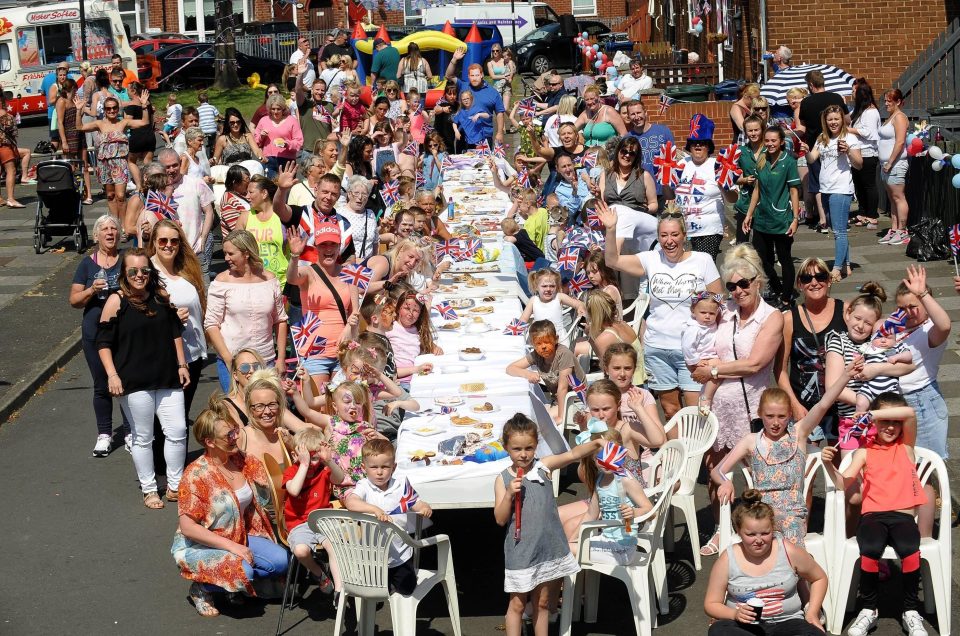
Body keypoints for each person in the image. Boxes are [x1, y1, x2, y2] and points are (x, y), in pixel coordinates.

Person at [694, 245, 784, 555]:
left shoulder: (771, 318)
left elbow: (756, 363)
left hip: (752, 408)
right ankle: (722, 527)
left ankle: (762, 534)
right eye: (731, 285)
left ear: (758, 281)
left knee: (758, 475)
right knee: (716, 469)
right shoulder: (725, 311)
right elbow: (698, 322)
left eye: (744, 283)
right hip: (719, 406)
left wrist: (713, 369)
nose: (737, 290)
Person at [710, 364, 857, 546]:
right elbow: (717, 471)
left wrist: (846, 375)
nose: (775, 423)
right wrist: (725, 481)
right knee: (755, 537)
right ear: (760, 415)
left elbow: (823, 404)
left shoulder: (799, 433)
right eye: (769, 416)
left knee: (789, 541)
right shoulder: (750, 440)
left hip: (792, 511)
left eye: (782, 416)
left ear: (789, 415)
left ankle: (796, 572)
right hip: (760, 510)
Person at [600, 206, 723, 420]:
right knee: (670, 411)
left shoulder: (703, 260)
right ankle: (676, 453)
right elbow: (612, 261)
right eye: (663, 235)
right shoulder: (651, 259)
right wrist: (611, 230)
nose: (669, 240)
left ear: (684, 235)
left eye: (675, 234)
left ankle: (697, 453)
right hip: (657, 348)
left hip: (692, 351)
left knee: (696, 414)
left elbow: (719, 304)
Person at [821, 397, 930, 636]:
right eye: (884, 421)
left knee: (910, 549)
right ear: (873, 425)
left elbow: (910, 412)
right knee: (869, 549)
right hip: (873, 516)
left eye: (894, 422)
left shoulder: (906, 447)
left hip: (902, 517)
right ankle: (869, 609)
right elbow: (842, 483)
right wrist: (828, 464)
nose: (889, 427)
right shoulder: (864, 452)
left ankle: (910, 610)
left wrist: (872, 416)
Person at [172, 407, 288, 618]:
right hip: (203, 544)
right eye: (229, 435)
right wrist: (234, 547)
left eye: (235, 431)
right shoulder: (195, 475)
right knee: (245, 571)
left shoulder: (241, 459)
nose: (235, 437)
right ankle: (203, 588)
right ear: (209, 442)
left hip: (240, 534)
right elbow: (188, 528)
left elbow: (270, 481)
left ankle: (232, 586)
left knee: (280, 562)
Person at [97, 249, 190, 510]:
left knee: (177, 432)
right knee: (142, 436)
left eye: (144, 271)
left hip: (167, 376)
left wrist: (182, 363)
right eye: (133, 271)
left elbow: (175, 332)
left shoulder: (160, 297)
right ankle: (149, 489)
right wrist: (112, 375)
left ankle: (175, 485)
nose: (140, 276)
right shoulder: (116, 301)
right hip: (134, 380)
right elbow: (102, 343)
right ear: (124, 274)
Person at [496, 415, 602, 636]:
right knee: (516, 605)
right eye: (516, 449)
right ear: (505, 447)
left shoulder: (543, 467)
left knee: (543, 603)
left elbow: (572, 454)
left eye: (529, 448)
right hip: (522, 551)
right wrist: (508, 495)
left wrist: (597, 443)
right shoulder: (503, 479)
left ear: (536, 446)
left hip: (550, 548)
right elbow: (500, 518)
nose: (523, 454)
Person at [702, 491, 828, 635]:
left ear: (772, 529)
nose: (759, 540)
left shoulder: (788, 551)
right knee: (718, 631)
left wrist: (812, 613)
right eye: (751, 534)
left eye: (765, 533)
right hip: (743, 625)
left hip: (787, 622)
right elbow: (711, 604)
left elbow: (819, 578)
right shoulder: (728, 558)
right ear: (738, 531)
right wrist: (734, 614)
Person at [70, 215, 130, 456]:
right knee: (101, 384)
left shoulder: (126, 260)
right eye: (104, 229)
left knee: (127, 381)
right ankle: (104, 434)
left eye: (114, 229)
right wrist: (90, 291)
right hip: (94, 332)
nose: (110, 233)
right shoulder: (87, 264)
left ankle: (130, 431)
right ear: (96, 236)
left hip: (124, 330)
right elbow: (73, 300)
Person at [344, 438, 433, 594]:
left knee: (407, 590)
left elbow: (415, 503)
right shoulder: (364, 486)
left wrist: (424, 507)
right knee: (376, 595)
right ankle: (384, 590)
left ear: (394, 467)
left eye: (385, 467)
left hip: (400, 553)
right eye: (374, 467)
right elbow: (351, 503)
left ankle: (396, 589)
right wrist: (374, 509)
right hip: (374, 556)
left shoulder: (400, 485)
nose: (379, 472)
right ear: (364, 467)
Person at [774, 257, 848, 443]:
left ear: (829, 280)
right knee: (804, 465)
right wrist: (794, 404)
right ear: (800, 284)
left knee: (842, 462)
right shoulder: (790, 319)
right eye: (807, 279)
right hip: (804, 406)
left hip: (840, 404)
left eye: (820, 276)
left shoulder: (846, 311)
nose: (814, 282)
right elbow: (780, 370)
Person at [205, 230, 288, 390]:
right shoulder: (221, 282)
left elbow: (280, 320)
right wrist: (228, 359)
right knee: (237, 410)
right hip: (233, 359)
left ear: (246, 253)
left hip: (265, 360)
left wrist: (281, 359)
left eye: (231, 253)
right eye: (224, 253)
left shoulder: (269, 280)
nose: (226, 258)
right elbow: (211, 324)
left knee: (266, 410)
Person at [285, 223, 359, 383]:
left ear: (339, 246)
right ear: (316, 247)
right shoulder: (308, 272)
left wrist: (348, 329)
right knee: (318, 405)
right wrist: (295, 256)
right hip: (315, 351)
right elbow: (291, 278)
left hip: (343, 351)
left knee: (343, 404)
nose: (328, 249)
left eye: (333, 244)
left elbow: (355, 312)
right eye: (323, 244)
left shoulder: (350, 272)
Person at [148, 220, 207, 417]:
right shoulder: (147, 273)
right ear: (154, 242)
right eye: (163, 240)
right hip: (165, 357)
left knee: (182, 416)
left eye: (174, 241)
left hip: (194, 354)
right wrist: (169, 318)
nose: (168, 245)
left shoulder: (188, 269)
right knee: (166, 421)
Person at [894, 266, 951, 456]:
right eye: (901, 308)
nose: (907, 313)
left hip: (921, 402)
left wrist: (923, 294)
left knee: (927, 466)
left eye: (913, 307)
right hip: (895, 403)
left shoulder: (929, 329)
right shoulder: (898, 329)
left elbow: (944, 325)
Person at [742, 126, 802, 309]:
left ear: (781, 142)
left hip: (781, 219)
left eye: (773, 140)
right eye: (767, 140)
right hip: (762, 219)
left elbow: (793, 191)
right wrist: (749, 214)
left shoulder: (789, 162)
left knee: (785, 259)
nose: (770, 144)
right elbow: (757, 190)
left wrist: (795, 218)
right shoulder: (762, 159)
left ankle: (786, 297)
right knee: (762, 259)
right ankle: (777, 288)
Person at [803, 105, 863, 281]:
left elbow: (859, 164)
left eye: (836, 119)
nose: (833, 122)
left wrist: (848, 151)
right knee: (836, 227)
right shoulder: (822, 139)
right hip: (825, 189)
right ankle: (846, 265)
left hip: (841, 189)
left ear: (842, 120)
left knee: (839, 231)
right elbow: (812, 158)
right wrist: (805, 150)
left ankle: (836, 269)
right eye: (830, 120)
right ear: (825, 122)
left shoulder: (850, 138)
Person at [283, 427, 344, 595]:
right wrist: (303, 464)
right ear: (296, 456)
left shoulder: (323, 470)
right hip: (299, 523)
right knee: (301, 551)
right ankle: (319, 573)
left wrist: (329, 461)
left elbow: (340, 479)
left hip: (323, 519)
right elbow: (294, 490)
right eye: (307, 458)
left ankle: (339, 591)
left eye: (315, 458)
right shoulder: (292, 471)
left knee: (333, 546)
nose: (311, 463)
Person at [75, 92, 150, 222]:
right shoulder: (99, 124)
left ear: (117, 109)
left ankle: (125, 225)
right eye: (108, 108)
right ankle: (115, 223)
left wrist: (144, 106)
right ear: (104, 110)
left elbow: (144, 122)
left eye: (114, 108)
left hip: (120, 164)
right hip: (104, 165)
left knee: (121, 196)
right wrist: (78, 110)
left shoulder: (123, 123)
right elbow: (79, 127)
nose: (112, 110)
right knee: (110, 196)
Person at [798, 70, 848, 235]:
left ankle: (823, 219)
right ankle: (839, 217)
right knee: (838, 179)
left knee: (818, 184)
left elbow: (802, 128)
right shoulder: (836, 98)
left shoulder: (805, 102)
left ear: (811, 85)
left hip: (815, 147)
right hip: (837, 144)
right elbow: (847, 120)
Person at [157, 148, 216, 279]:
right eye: (167, 167)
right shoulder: (156, 190)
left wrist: (203, 239)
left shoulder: (196, 183)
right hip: (168, 253)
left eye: (175, 165)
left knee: (203, 293)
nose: (172, 170)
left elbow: (209, 212)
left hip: (195, 251)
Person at [674, 114, 725, 259]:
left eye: (702, 142)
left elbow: (733, 199)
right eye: (694, 142)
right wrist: (665, 183)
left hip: (709, 230)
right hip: (683, 230)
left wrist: (723, 186)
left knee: (703, 271)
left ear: (708, 146)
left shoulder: (717, 165)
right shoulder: (682, 164)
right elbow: (670, 195)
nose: (698, 145)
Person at [507, 319, 583, 414]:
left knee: (542, 421)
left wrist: (560, 417)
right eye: (538, 343)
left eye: (547, 342)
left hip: (576, 400)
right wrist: (527, 373)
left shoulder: (564, 354)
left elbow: (563, 388)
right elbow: (510, 368)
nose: (543, 346)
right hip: (557, 400)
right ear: (532, 344)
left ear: (556, 339)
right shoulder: (537, 355)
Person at [599, 135, 659, 253]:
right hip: (613, 222)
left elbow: (654, 204)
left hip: (636, 220)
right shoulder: (606, 175)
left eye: (632, 153)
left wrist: (640, 210)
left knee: (623, 213)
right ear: (618, 152)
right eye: (624, 151)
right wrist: (596, 194)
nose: (627, 155)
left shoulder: (644, 176)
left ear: (636, 157)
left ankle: (613, 258)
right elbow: (602, 203)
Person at [239, 175, 289, 290]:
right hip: (252, 283)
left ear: (264, 193)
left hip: (281, 284)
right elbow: (235, 248)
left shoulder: (283, 216)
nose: (247, 196)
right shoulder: (245, 217)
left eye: (251, 192)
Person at [386, 286, 442, 388]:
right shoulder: (389, 329)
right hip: (398, 382)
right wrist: (416, 369)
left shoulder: (417, 330)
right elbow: (388, 371)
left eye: (416, 310)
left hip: (416, 377)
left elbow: (419, 343)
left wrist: (433, 346)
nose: (410, 314)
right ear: (398, 309)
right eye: (407, 308)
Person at [877, 89, 910, 245]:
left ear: (898, 101)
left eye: (890, 100)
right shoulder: (890, 117)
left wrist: (890, 162)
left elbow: (900, 142)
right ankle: (894, 229)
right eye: (885, 100)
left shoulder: (900, 118)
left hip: (895, 164)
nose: (886, 103)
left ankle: (902, 231)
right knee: (892, 199)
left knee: (898, 197)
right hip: (886, 165)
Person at [682, 292, 723, 410]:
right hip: (702, 358)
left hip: (709, 356)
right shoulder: (694, 328)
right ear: (693, 311)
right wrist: (695, 361)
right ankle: (706, 397)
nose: (707, 316)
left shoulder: (709, 324)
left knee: (714, 377)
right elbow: (687, 346)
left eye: (711, 313)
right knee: (720, 368)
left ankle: (705, 396)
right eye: (703, 312)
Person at [848, 81, 881, 228]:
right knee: (858, 185)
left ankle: (872, 215)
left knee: (868, 185)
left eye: (854, 91)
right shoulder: (859, 111)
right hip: (856, 151)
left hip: (868, 153)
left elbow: (870, 133)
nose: (852, 94)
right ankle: (862, 212)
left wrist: (851, 130)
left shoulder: (871, 112)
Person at [56, 78, 92, 202]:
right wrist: (64, 141)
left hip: (79, 134)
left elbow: (81, 115)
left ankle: (88, 195)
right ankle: (74, 193)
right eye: (75, 90)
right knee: (71, 166)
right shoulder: (62, 101)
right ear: (70, 89)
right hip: (69, 135)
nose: (76, 92)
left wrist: (82, 108)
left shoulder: (75, 100)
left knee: (84, 165)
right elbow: (60, 123)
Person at [519, 268, 586, 337]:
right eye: (544, 286)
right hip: (540, 339)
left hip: (559, 339)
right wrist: (515, 332)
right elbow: (523, 319)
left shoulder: (559, 297)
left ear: (557, 287)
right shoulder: (533, 300)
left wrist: (580, 309)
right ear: (536, 287)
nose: (548, 289)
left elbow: (580, 304)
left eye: (552, 286)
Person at [732, 115, 764, 245]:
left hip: (765, 203)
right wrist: (744, 180)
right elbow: (733, 178)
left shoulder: (770, 150)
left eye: (756, 130)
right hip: (746, 201)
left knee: (761, 243)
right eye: (750, 131)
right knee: (742, 242)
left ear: (762, 130)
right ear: (745, 132)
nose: (753, 133)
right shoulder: (741, 151)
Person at [254, 95, 302, 179]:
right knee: (270, 189)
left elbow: (299, 142)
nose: (275, 112)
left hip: (287, 161)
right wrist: (261, 137)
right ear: (269, 109)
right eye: (273, 109)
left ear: (283, 109)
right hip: (268, 160)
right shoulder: (263, 120)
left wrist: (287, 144)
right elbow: (255, 142)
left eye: (278, 109)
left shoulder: (291, 120)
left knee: (287, 189)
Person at [338, 176, 380, 262]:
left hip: (367, 268)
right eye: (356, 193)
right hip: (347, 266)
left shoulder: (370, 214)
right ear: (349, 194)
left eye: (364, 194)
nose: (360, 197)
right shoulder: (339, 214)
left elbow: (375, 242)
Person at [0, 95, 30, 207]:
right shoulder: (6, 116)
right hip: (4, 145)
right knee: (11, 170)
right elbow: (14, 133)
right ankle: (11, 199)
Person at [125, 82, 156, 188]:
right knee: (148, 162)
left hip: (137, 136)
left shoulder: (131, 105)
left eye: (128, 90)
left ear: (133, 91)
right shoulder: (147, 103)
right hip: (149, 135)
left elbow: (128, 122)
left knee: (131, 161)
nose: (127, 92)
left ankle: (139, 185)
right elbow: (151, 120)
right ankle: (151, 184)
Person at [218, 164, 251, 237]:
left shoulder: (245, 194)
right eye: (247, 179)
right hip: (239, 242)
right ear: (235, 182)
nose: (249, 182)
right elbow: (237, 230)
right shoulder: (228, 201)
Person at [486, 44, 512, 109]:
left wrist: (510, 77)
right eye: (493, 51)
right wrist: (503, 76)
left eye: (497, 50)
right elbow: (492, 76)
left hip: (506, 87)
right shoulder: (490, 63)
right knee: (499, 109)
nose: (495, 52)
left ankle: (512, 118)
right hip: (497, 88)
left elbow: (511, 70)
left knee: (505, 108)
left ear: (500, 51)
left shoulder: (505, 60)